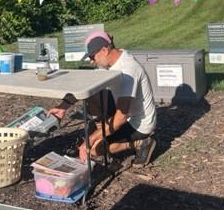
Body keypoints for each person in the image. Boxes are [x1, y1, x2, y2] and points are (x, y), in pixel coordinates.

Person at [48, 31, 157, 166]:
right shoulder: (110, 61)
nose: (93, 62)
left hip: (138, 123)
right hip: (123, 112)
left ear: (105, 50)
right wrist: (62, 107)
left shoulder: (129, 69)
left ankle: (140, 143)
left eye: (93, 57)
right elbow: (86, 86)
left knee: (94, 149)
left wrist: (92, 138)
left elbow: (121, 117)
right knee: (92, 92)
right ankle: (104, 131)